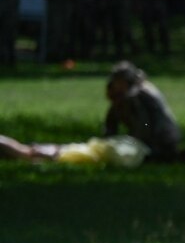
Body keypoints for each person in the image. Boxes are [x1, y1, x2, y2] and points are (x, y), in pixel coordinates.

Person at [0, 62, 175, 166]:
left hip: (157, 140)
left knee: (38, 152)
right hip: (147, 141)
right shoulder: (132, 95)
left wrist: (142, 139)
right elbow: (113, 118)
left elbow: (147, 123)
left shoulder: (137, 95)